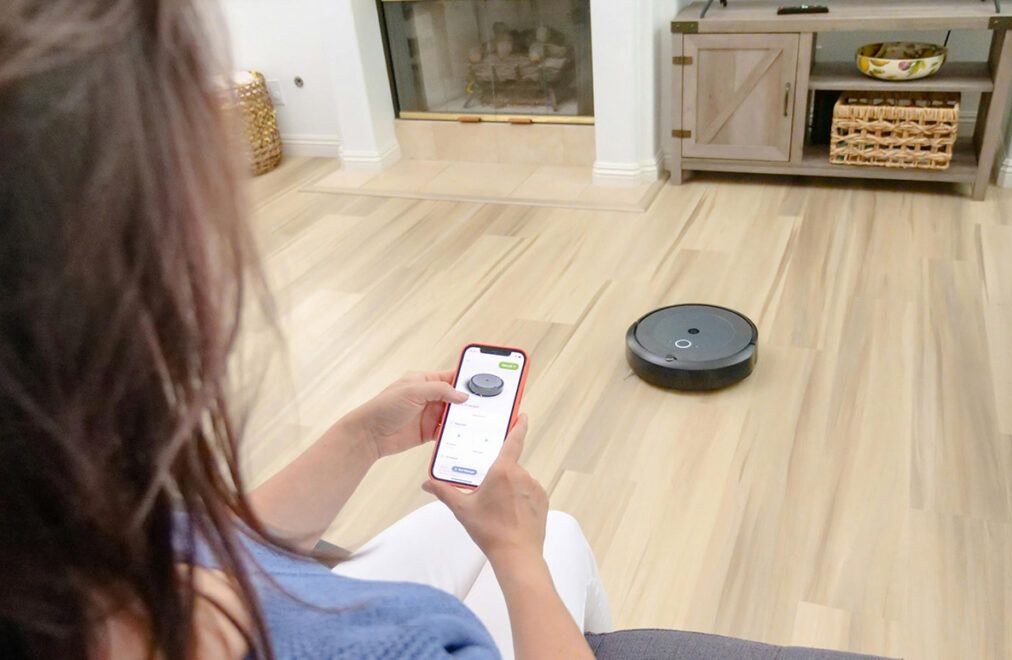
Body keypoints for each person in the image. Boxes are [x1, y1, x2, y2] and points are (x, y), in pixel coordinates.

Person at [0, 1, 611, 658]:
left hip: (294, 592)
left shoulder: (69, 529)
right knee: (556, 538)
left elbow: (219, 547)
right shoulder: (377, 647)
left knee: (488, 526)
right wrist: (519, 559)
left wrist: (361, 438)